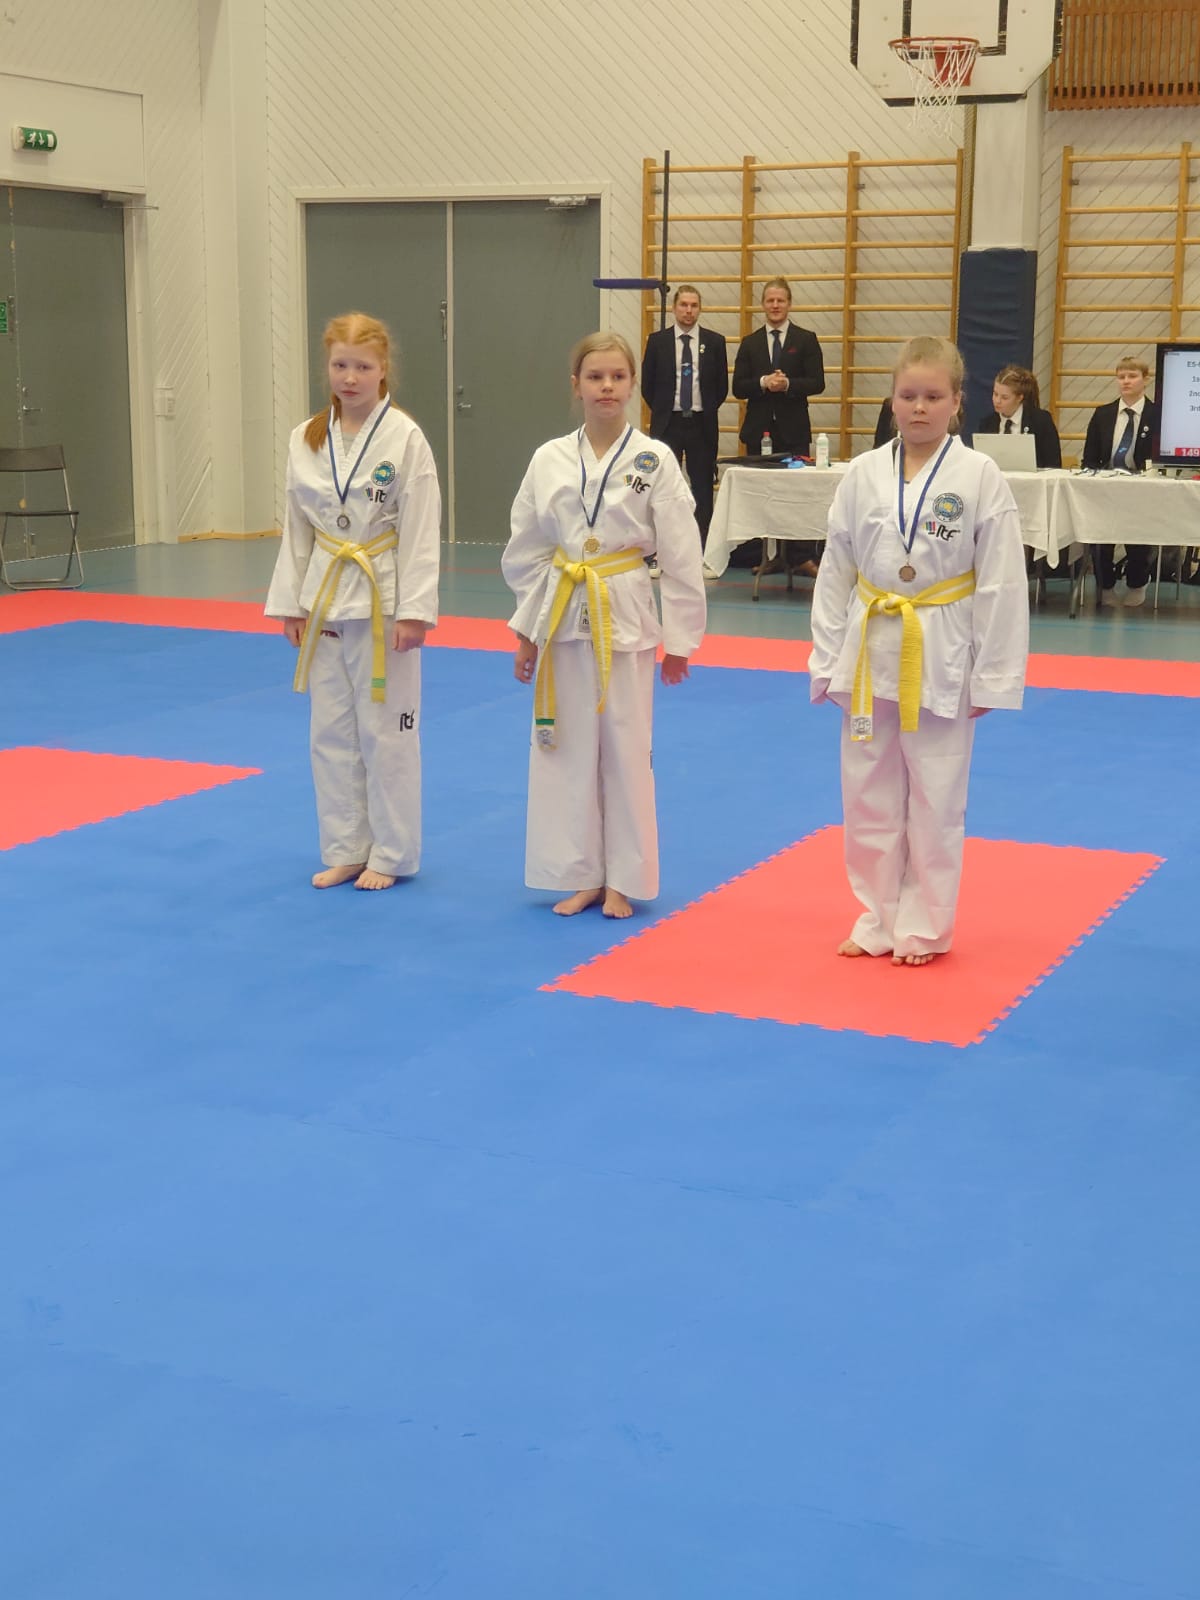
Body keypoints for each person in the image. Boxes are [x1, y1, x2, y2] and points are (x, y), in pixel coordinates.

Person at [809, 336, 1028, 966]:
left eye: (933, 396)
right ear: (892, 400)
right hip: (869, 644)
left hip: (943, 648)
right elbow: (835, 570)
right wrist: (826, 659)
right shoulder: (863, 473)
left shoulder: (979, 476)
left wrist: (993, 675)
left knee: (936, 794)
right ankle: (877, 918)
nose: (920, 407)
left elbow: (1002, 581)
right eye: (908, 395)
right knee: (867, 791)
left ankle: (926, 926)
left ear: (957, 401)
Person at [503, 332, 707, 920]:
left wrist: (681, 640)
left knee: (625, 748)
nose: (607, 387)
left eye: (618, 376)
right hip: (563, 610)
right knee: (566, 749)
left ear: (632, 384)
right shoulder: (548, 459)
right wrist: (526, 632)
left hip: (625, 611)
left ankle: (625, 878)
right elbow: (527, 549)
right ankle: (579, 873)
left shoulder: (655, 459)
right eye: (595, 377)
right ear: (576, 385)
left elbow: (681, 553)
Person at [265, 311, 441, 890]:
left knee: (386, 731)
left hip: (382, 596)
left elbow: (421, 528)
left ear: (383, 369)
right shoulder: (306, 437)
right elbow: (296, 526)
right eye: (340, 365)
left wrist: (415, 610)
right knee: (331, 731)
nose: (350, 377)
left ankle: (391, 852)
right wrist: (292, 603)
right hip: (324, 593)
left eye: (362, 366)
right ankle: (345, 848)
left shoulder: (404, 437)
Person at [641, 285, 728, 551]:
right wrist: (664, 409)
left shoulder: (714, 342)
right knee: (664, 486)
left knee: (702, 487)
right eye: (683, 305)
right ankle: (662, 547)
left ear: (699, 309)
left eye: (694, 305)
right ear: (674, 308)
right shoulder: (658, 341)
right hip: (668, 423)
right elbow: (647, 386)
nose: (688, 311)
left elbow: (721, 387)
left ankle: (701, 548)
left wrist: (704, 408)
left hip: (701, 424)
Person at [1080, 356, 1161, 608]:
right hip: (1107, 484)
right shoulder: (1103, 414)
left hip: (1142, 486)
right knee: (1102, 538)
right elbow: (1089, 457)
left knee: (1137, 537)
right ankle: (1105, 585)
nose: (1126, 381)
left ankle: (1138, 582)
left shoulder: (1157, 414)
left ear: (1146, 379)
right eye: (1121, 377)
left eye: (1132, 376)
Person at [732, 277, 825, 457]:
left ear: (789, 304)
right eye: (770, 301)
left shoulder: (806, 339)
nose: (775, 305)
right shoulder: (750, 342)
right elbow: (738, 388)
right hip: (757, 432)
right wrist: (763, 382)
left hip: (794, 432)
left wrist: (787, 384)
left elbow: (817, 383)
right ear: (763, 304)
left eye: (780, 301)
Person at [974, 365, 1062, 467]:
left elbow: (1054, 465)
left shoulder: (1041, 422)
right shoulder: (987, 424)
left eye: (1004, 397)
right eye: (995, 394)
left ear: (1019, 398)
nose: (997, 401)